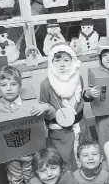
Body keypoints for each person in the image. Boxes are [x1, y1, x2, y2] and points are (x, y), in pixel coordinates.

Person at [0, 66, 50, 184]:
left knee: (30, 177)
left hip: (30, 152)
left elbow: (46, 115)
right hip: (10, 154)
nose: (9, 89)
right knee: (15, 179)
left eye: (13, 84)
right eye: (3, 85)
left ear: (20, 85)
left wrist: (44, 107)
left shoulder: (29, 103)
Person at [40, 42, 99, 171]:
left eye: (66, 60)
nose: (62, 64)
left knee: (85, 156)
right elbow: (44, 112)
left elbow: (81, 100)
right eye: (57, 60)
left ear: (72, 60)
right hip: (60, 133)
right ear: (51, 61)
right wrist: (49, 112)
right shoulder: (46, 84)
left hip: (81, 127)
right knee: (63, 162)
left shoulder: (78, 79)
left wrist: (88, 94)